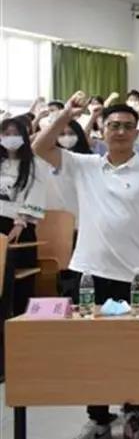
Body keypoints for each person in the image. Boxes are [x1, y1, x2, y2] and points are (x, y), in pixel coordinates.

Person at [33, 94, 139, 439]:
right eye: (113, 125)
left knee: (134, 351)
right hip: (88, 273)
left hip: (135, 277)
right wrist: (67, 114)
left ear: (136, 132)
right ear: (102, 130)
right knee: (90, 351)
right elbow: (40, 146)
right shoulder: (85, 165)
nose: (120, 131)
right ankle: (98, 421)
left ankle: (134, 416)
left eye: (127, 126)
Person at [0, 118, 47, 320]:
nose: (11, 138)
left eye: (15, 134)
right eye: (6, 134)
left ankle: (18, 318)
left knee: (16, 278)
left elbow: (36, 194)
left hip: (20, 226)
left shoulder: (35, 164)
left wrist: (20, 222)